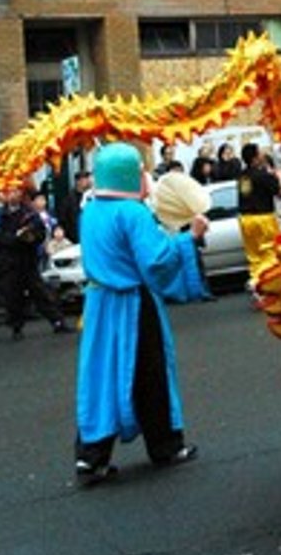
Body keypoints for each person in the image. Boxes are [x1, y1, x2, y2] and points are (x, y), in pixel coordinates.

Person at [73, 143, 208, 485]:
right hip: (133, 304)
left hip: (99, 303)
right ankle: (166, 446)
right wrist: (188, 238)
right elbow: (157, 261)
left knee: (99, 377)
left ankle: (91, 457)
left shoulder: (89, 211)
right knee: (151, 374)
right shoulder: (132, 213)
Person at [0, 183, 69, 339]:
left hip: (28, 260)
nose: (14, 194)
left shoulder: (30, 214)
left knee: (41, 293)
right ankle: (16, 328)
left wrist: (30, 237)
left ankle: (58, 321)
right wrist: (15, 239)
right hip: (10, 263)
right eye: (10, 192)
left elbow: (40, 234)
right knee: (13, 297)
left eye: (16, 191)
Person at [236, 142, 281, 284]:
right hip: (263, 218)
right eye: (260, 153)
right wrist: (280, 177)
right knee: (269, 253)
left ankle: (256, 281)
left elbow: (246, 194)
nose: (262, 155)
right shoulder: (263, 175)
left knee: (254, 256)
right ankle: (268, 283)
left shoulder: (243, 176)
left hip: (246, 219)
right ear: (255, 158)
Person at [56, 169, 92, 244]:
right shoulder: (68, 200)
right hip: (74, 239)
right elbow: (63, 219)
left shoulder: (91, 197)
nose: (89, 182)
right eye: (85, 179)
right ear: (78, 181)